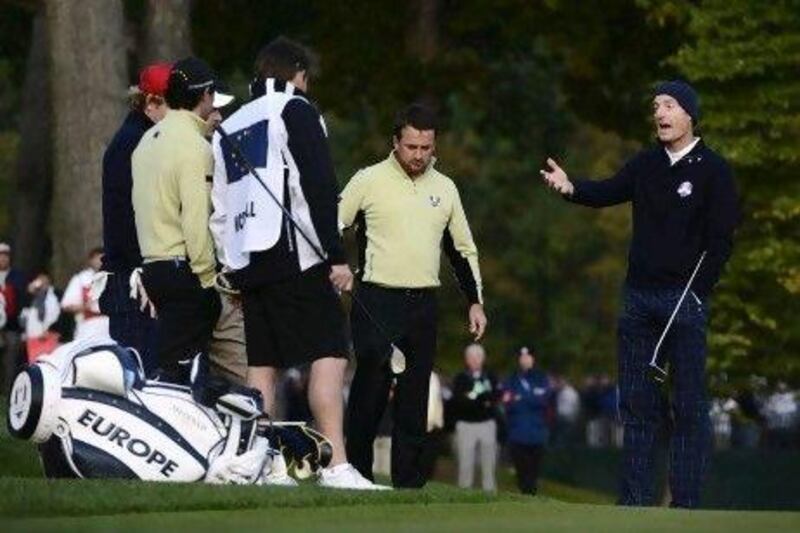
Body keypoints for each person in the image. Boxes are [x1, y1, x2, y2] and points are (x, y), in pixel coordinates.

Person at [540, 80, 740, 508]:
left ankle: (684, 505)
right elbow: (608, 190)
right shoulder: (646, 164)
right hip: (639, 300)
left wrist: (698, 293)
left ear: (689, 114)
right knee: (636, 406)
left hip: (683, 302)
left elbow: (721, 240)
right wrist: (572, 187)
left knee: (687, 407)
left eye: (669, 105)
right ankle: (633, 505)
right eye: (656, 107)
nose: (661, 114)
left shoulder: (714, 169)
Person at [210, 37, 382, 490]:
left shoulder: (231, 122)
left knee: (262, 363)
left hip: (248, 259)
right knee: (329, 352)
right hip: (296, 254)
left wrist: (230, 266)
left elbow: (220, 206)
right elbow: (319, 188)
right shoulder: (296, 111)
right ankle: (336, 464)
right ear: (299, 75)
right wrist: (336, 256)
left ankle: (259, 459)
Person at [340, 103, 487, 489]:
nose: (419, 156)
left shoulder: (446, 188)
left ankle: (408, 483)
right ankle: (356, 471)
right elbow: (331, 226)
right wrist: (335, 264)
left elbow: (461, 250)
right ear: (395, 142)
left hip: (422, 303)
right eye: (411, 147)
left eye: (426, 148)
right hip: (375, 297)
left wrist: (475, 300)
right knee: (372, 378)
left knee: (415, 392)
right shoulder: (368, 180)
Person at [132, 57, 222, 388]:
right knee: (184, 378)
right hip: (184, 270)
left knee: (170, 363)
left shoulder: (145, 142)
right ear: (206, 95)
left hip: (153, 266)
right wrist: (209, 279)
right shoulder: (195, 148)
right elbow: (195, 220)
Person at [99, 63, 171, 374]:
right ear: (151, 103)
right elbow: (129, 216)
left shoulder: (137, 137)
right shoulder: (134, 142)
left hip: (135, 277)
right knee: (143, 376)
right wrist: (149, 272)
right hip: (134, 282)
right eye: (174, 105)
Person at [501, 346, 551, 495]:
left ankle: (531, 498)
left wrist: (520, 398)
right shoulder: (511, 379)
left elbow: (543, 400)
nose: (524, 360)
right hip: (517, 432)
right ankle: (525, 496)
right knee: (521, 472)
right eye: (522, 357)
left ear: (533, 359)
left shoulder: (541, 378)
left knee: (534, 472)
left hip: (537, 433)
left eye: (528, 357)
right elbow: (507, 401)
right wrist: (530, 397)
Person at [451, 343, 498, 492]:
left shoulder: (490, 376)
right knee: (465, 464)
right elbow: (459, 401)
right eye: (471, 357)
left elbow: (494, 398)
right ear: (466, 359)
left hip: (487, 424)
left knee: (488, 465)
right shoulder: (460, 378)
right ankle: (464, 494)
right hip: (466, 425)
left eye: (478, 356)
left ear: (483, 358)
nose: (475, 360)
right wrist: (481, 399)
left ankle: (490, 495)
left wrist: (474, 397)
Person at [61, 247, 109, 341]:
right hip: (88, 327)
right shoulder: (80, 279)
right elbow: (66, 306)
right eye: (98, 259)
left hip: (110, 326)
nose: (100, 262)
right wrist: (86, 306)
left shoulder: (114, 277)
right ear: (91, 261)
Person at [0, 242, 29, 393]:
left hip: (12, 326)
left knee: (11, 358)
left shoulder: (18, 276)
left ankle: (8, 390)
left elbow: (23, 299)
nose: (2, 259)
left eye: (5, 256)